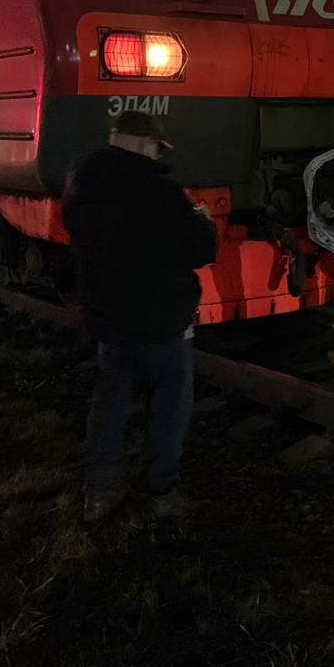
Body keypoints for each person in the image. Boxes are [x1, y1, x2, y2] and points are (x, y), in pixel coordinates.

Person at [63, 110, 217, 524]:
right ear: (143, 141)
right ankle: (160, 492)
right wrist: (201, 222)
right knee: (169, 408)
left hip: (110, 319)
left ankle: (97, 493)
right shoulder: (160, 191)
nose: (155, 152)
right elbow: (203, 250)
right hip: (165, 321)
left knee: (109, 406)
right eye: (155, 145)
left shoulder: (81, 182)